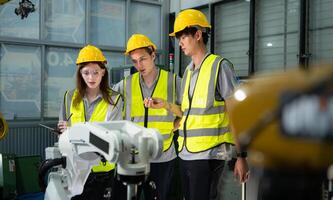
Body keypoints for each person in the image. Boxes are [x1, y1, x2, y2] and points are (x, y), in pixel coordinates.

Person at [144, 9, 249, 200]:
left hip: (210, 155)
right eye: (179, 39)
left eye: (183, 37)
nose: (180, 43)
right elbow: (185, 112)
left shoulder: (219, 66)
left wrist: (241, 156)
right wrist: (166, 105)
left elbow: (237, 112)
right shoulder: (189, 71)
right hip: (186, 153)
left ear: (198, 35)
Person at [113, 34, 181, 200]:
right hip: (133, 156)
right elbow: (105, 103)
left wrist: (170, 113)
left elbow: (187, 113)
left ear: (153, 55)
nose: (139, 65)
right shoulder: (125, 84)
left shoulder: (173, 82)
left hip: (162, 156)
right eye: (134, 61)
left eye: (142, 59)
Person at [57, 45, 125, 200]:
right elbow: (63, 135)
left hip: (102, 171)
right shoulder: (69, 97)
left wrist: (73, 132)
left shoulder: (115, 100)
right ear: (80, 74)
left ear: (103, 72)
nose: (91, 77)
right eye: (86, 73)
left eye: (95, 72)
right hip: (75, 169)